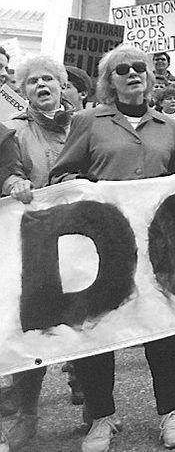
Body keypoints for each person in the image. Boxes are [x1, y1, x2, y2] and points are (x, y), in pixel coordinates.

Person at [49, 45, 175, 451]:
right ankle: (102, 417)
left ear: (150, 77)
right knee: (101, 326)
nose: (133, 74)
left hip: (155, 243)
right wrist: (90, 191)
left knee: (162, 326)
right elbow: (63, 175)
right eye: (123, 70)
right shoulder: (88, 121)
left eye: (139, 68)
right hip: (103, 242)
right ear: (110, 80)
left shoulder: (168, 126)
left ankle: (169, 411)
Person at [0, 56, 75, 450]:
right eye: (33, 82)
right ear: (23, 90)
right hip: (35, 244)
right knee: (34, 329)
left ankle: (99, 411)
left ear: (62, 85)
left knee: (86, 324)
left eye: (49, 79)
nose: (42, 85)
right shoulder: (13, 130)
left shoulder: (84, 124)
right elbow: (8, 169)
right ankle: (22, 416)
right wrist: (15, 183)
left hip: (79, 239)